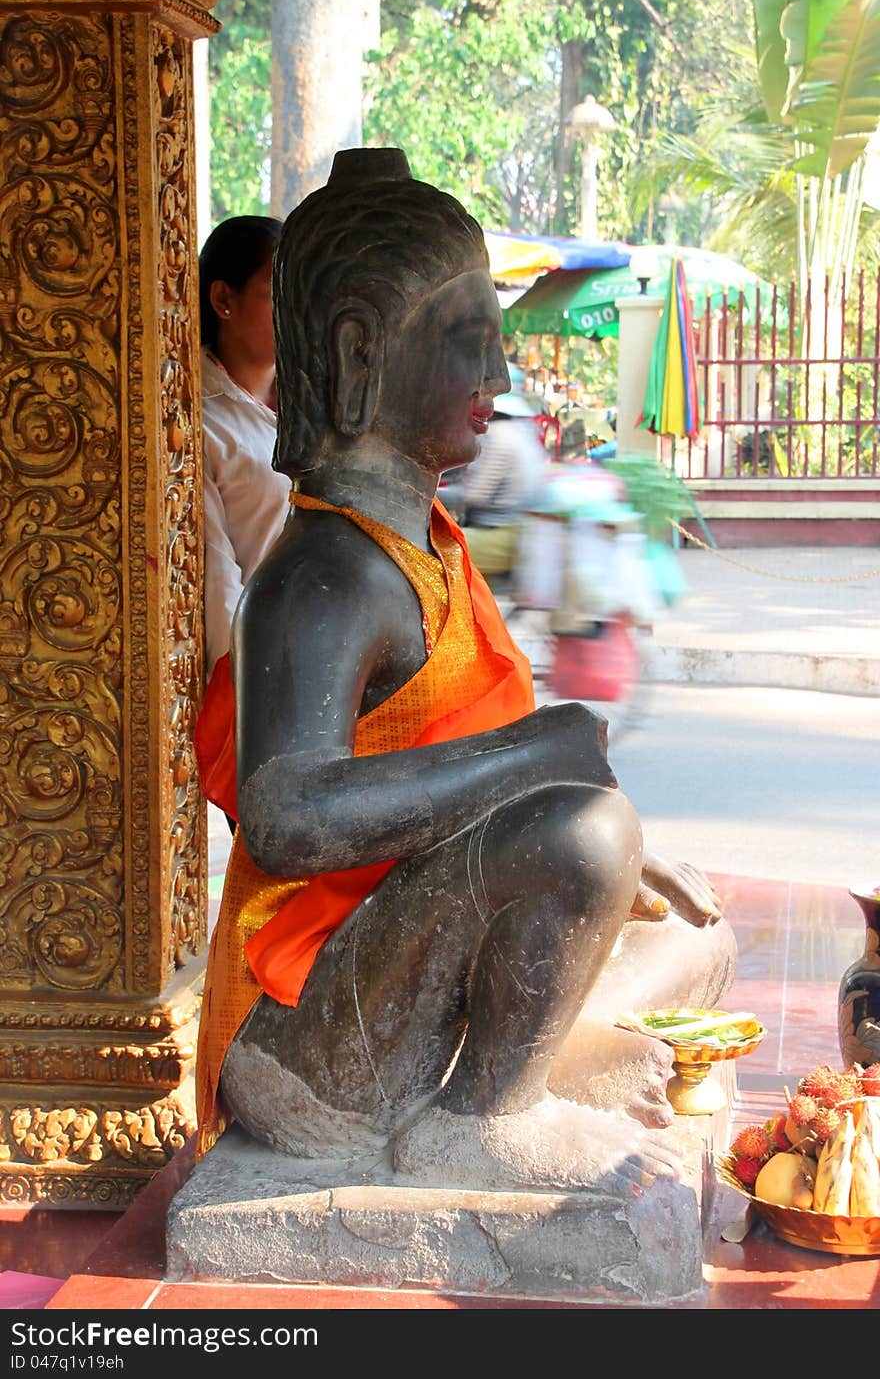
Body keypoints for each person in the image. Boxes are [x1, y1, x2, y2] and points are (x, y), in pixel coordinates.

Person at [194, 148, 727, 1194]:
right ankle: (482, 1116)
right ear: (359, 351)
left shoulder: (427, 541)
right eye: (471, 344)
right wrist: (538, 759)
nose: (499, 382)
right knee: (585, 835)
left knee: (689, 923)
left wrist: (587, 836)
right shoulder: (323, 570)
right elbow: (287, 815)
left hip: (397, 958)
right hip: (301, 1021)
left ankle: (533, 1065)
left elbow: (459, 789)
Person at [198, 215, 290, 680]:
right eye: (277, 291)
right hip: (266, 672)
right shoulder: (199, 423)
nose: (296, 310)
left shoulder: (313, 406)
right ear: (222, 300)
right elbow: (220, 590)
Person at [437, 391, 547, 582]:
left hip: (500, 537)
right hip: (517, 533)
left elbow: (475, 496)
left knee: (428, 551)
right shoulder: (523, 431)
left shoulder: (498, 435)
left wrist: (432, 494)